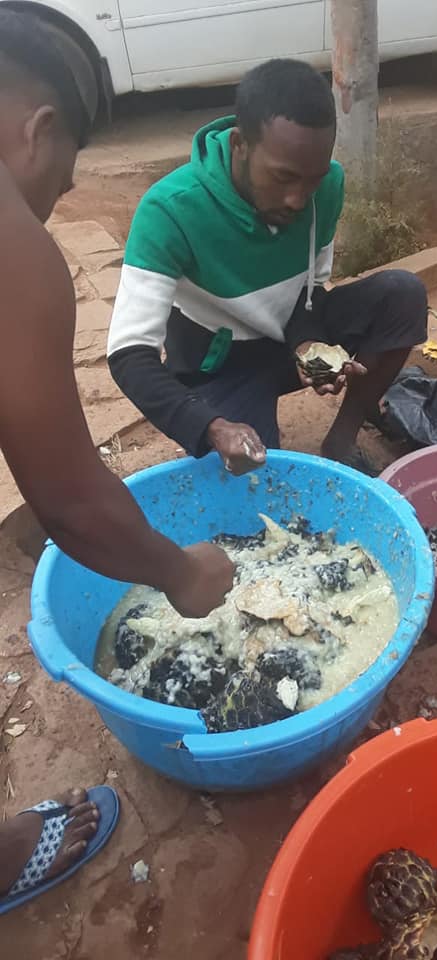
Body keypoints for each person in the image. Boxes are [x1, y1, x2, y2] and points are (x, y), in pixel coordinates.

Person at [0, 10, 234, 910]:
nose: (54, 202)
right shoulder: (11, 246)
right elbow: (72, 503)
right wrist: (180, 572)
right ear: (39, 130)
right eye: (63, 183)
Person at [106, 59, 428, 478]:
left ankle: (342, 440)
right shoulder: (169, 211)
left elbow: (311, 290)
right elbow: (129, 354)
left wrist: (309, 346)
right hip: (220, 369)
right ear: (239, 144)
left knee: (403, 295)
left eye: (312, 180)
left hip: (284, 345)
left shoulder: (327, 186)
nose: (298, 199)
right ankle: (232, 419)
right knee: (255, 481)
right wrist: (211, 427)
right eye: (283, 178)